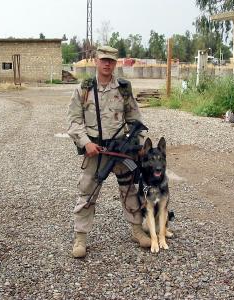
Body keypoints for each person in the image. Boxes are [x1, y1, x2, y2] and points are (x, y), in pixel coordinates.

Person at [67, 46, 151, 258]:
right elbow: (74, 122)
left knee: (129, 189)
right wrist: (86, 143)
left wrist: (137, 145)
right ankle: (80, 238)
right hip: (95, 150)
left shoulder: (123, 88)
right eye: (104, 60)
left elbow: (135, 119)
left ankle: (137, 230)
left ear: (115, 63)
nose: (107, 64)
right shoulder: (84, 89)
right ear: (96, 60)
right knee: (87, 191)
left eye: (111, 61)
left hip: (120, 150)